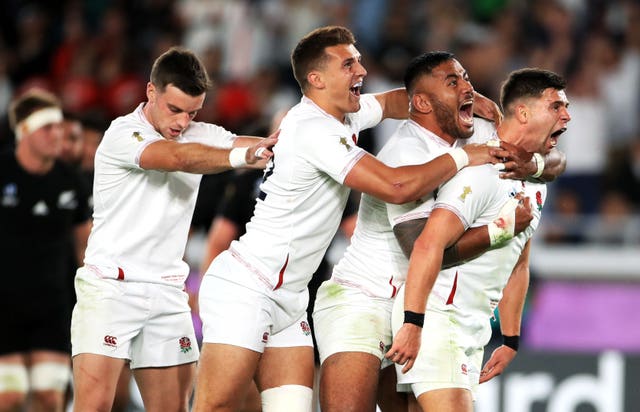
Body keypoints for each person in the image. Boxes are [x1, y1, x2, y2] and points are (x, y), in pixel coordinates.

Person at [193, 25, 511, 412]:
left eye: (359, 61)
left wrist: (464, 96)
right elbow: (395, 186)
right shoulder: (312, 128)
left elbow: (400, 101)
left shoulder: (344, 116)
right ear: (316, 79)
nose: (360, 71)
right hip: (248, 283)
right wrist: (465, 155)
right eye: (348, 64)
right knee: (216, 406)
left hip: (291, 298)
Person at [311, 51, 568, 412]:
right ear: (422, 103)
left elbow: (549, 154)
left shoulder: (477, 127)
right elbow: (420, 246)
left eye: (466, 78)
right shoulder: (405, 153)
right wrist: (499, 231)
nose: (468, 88)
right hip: (362, 298)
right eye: (453, 82)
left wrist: (535, 163)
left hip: (418, 303)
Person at [69, 46, 277, 412]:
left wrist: (284, 147)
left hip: (167, 291)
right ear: (151, 92)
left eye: (193, 112)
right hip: (110, 288)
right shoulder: (122, 134)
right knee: (94, 407)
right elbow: (176, 158)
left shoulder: (199, 132)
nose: (183, 122)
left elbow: (250, 145)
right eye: (175, 109)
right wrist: (246, 157)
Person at [386, 67, 571, 412]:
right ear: (523, 112)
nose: (567, 115)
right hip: (439, 318)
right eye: (556, 106)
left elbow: (518, 263)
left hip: (471, 329)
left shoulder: (535, 180)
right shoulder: (483, 170)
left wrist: (511, 339)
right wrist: (413, 324)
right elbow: (427, 244)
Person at [0, 89, 92, 412]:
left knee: (49, 399)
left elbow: (86, 245)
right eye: (47, 128)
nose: (58, 135)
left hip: (52, 305)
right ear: (23, 131)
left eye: (59, 127)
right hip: (3, 304)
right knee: (8, 398)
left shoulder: (71, 181)